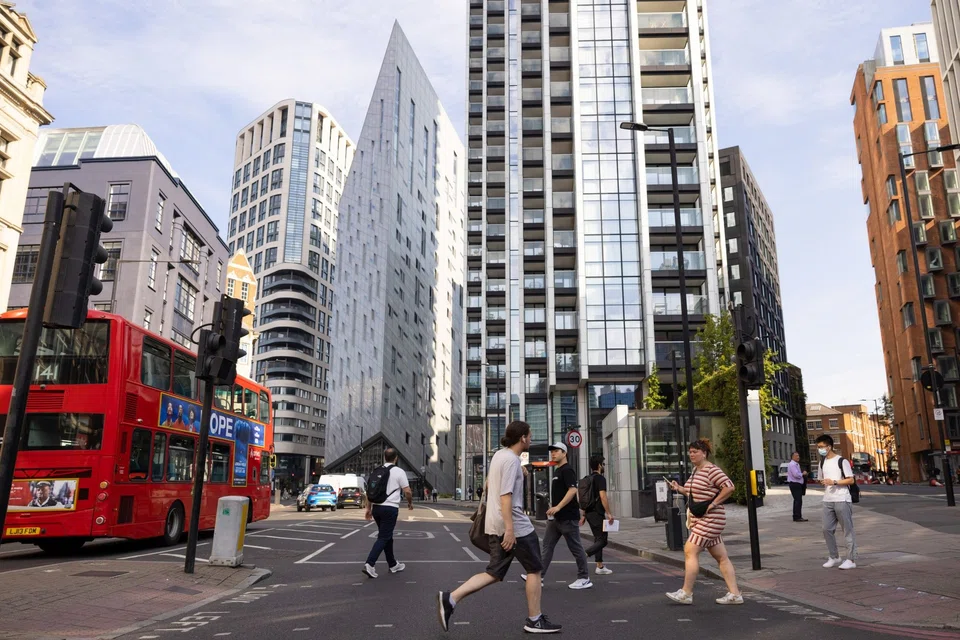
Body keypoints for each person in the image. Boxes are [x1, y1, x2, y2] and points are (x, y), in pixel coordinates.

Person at [437, 421, 561, 633]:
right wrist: (510, 530)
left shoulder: (499, 456)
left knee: (494, 572)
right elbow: (506, 497)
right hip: (515, 527)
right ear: (522, 437)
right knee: (535, 569)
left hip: (494, 523)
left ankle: (451, 598)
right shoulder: (511, 461)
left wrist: (518, 471)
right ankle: (535, 620)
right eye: (529, 436)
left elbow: (489, 484)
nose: (531, 439)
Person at [665, 439, 742, 605]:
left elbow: (729, 487)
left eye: (695, 451)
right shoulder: (696, 471)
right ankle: (735, 594)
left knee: (689, 550)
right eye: (690, 451)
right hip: (701, 518)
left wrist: (714, 504)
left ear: (704, 453)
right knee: (721, 557)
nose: (691, 454)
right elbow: (693, 492)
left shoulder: (711, 470)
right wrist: (678, 488)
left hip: (712, 519)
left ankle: (686, 592)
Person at [521, 442, 591, 590]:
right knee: (546, 547)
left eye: (556, 451)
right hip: (555, 519)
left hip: (568, 518)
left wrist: (558, 507)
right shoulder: (558, 471)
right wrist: (552, 509)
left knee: (576, 548)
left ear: (564, 453)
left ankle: (584, 578)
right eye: (552, 451)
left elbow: (573, 490)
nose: (553, 453)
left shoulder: (567, 470)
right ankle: (538, 576)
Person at [362, 448, 413, 579]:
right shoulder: (399, 471)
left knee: (387, 536)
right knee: (384, 537)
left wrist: (368, 509)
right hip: (390, 508)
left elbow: (369, 491)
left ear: (385, 457)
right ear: (396, 458)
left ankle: (393, 564)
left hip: (377, 508)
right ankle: (370, 564)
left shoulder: (377, 470)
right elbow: (407, 491)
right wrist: (409, 503)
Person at [816, 434, 857, 570]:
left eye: (821, 447)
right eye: (818, 447)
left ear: (829, 446)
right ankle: (834, 556)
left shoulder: (841, 461)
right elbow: (821, 479)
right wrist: (823, 481)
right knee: (826, 529)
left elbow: (851, 480)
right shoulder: (822, 462)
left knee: (847, 530)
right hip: (828, 499)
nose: (820, 449)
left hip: (842, 499)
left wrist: (834, 481)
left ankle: (851, 559)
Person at [582, 453, 615, 575]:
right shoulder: (600, 479)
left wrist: (584, 515)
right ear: (599, 465)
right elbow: (603, 497)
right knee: (603, 540)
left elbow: (586, 498)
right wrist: (609, 513)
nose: (604, 466)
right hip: (597, 513)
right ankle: (584, 554)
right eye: (603, 464)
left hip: (590, 514)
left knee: (598, 538)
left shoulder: (588, 478)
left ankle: (599, 566)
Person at [787, 451, 808, 522]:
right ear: (792, 457)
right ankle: (797, 517)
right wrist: (803, 474)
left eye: (798, 455)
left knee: (797, 500)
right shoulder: (792, 464)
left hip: (797, 484)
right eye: (796, 456)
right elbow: (796, 474)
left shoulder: (796, 464)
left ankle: (796, 516)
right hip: (795, 484)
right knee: (798, 500)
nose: (798, 457)